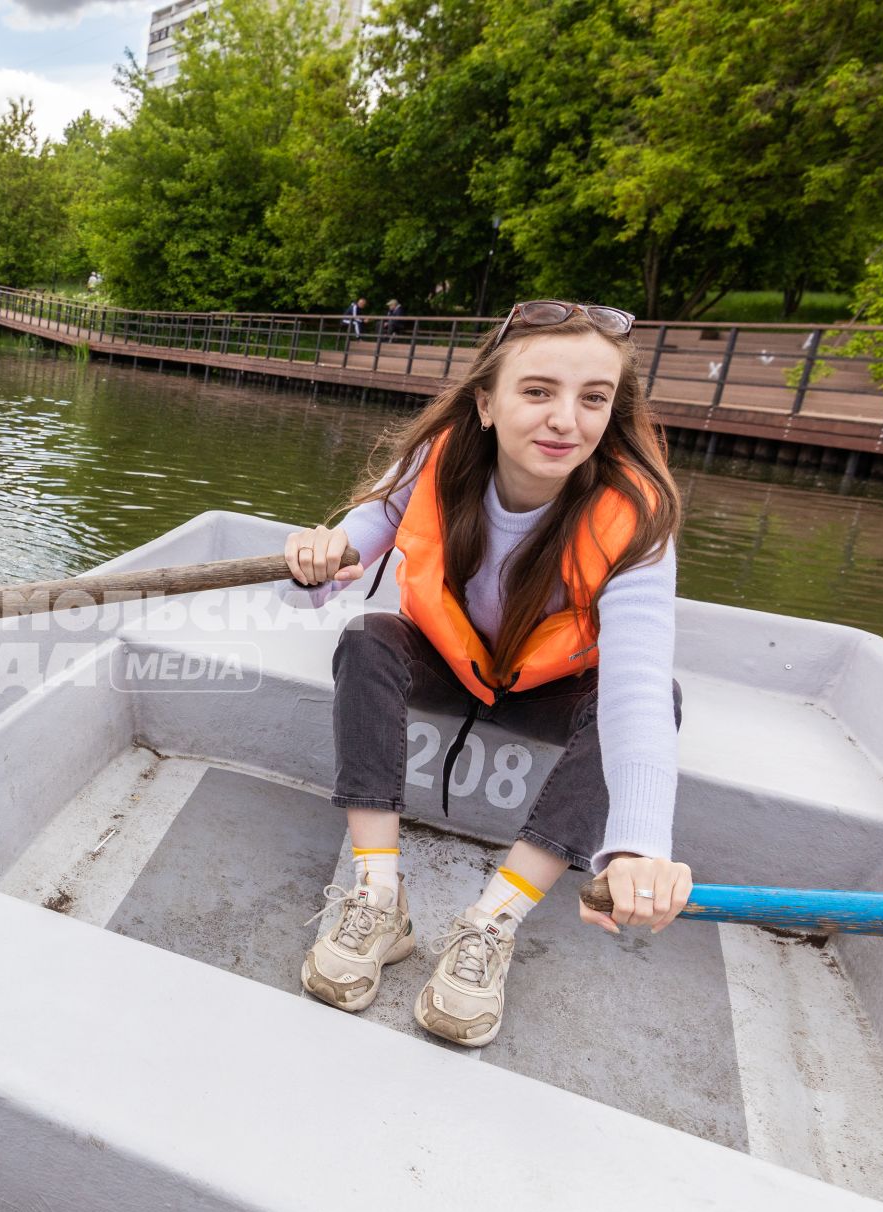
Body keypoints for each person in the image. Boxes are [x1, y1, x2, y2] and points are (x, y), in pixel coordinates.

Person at [282, 299, 686, 1048]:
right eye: (538, 392)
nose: (567, 419)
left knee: (659, 696)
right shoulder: (436, 458)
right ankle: (379, 897)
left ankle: (491, 921)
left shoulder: (639, 519)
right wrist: (317, 557)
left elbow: (633, 685)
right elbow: (355, 542)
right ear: (487, 403)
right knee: (369, 638)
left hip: (552, 686)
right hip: (454, 662)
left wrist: (638, 846)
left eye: (593, 398)